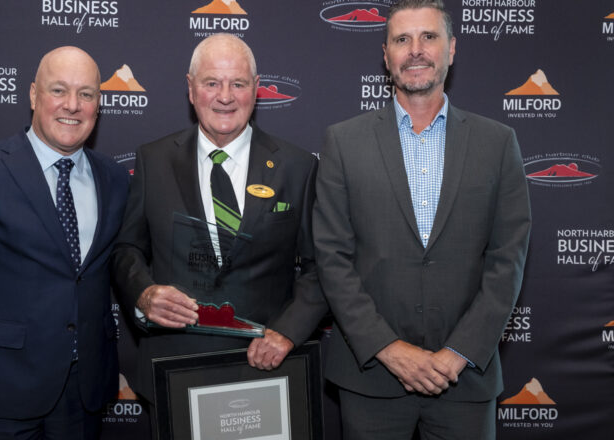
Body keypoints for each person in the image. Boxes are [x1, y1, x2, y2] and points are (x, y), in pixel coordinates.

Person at [313, 1, 531, 438]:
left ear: (452, 49)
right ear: (386, 54)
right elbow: (332, 258)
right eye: (402, 39)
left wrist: (458, 353)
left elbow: (507, 260)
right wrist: (389, 349)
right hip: (370, 376)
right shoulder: (343, 141)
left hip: (464, 378)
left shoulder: (498, 142)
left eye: (429, 37)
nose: (416, 50)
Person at [0, 46, 129, 440]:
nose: (72, 105)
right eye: (59, 90)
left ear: (98, 105)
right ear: (33, 95)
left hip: (83, 393)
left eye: (86, 94)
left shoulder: (115, 180)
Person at [111, 33, 327, 412]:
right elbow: (127, 249)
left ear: (256, 90)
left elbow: (319, 267)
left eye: (238, 84)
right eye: (211, 83)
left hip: (263, 369)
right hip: (172, 370)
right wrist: (143, 294)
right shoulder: (153, 160)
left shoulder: (298, 167)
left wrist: (288, 332)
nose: (225, 96)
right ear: (191, 89)